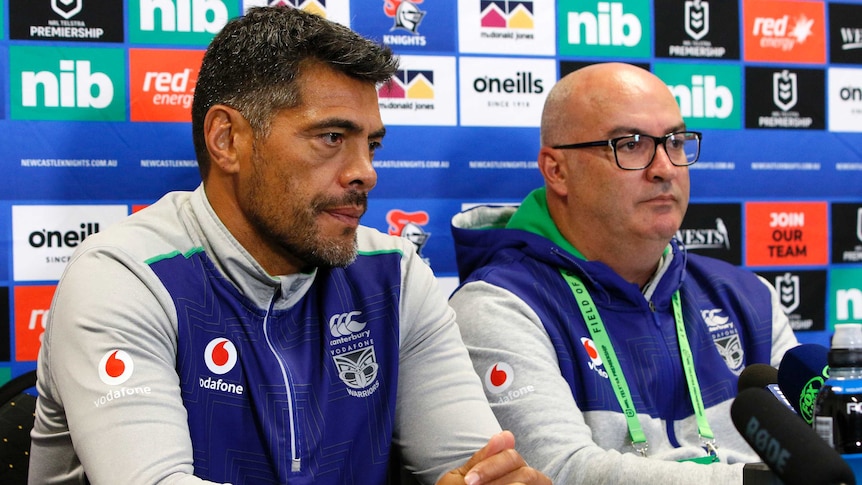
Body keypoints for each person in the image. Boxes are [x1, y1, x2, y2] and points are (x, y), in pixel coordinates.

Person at [27, 7, 549, 485]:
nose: (365, 171)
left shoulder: (395, 274)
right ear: (227, 139)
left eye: (372, 144)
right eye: (330, 138)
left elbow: (471, 468)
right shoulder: (124, 276)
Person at [448, 62, 799, 484]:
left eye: (676, 141)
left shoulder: (746, 295)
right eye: (630, 144)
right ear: (556, 170)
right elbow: (557, 472)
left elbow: (814, 449)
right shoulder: (499, 305)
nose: (664, 167)